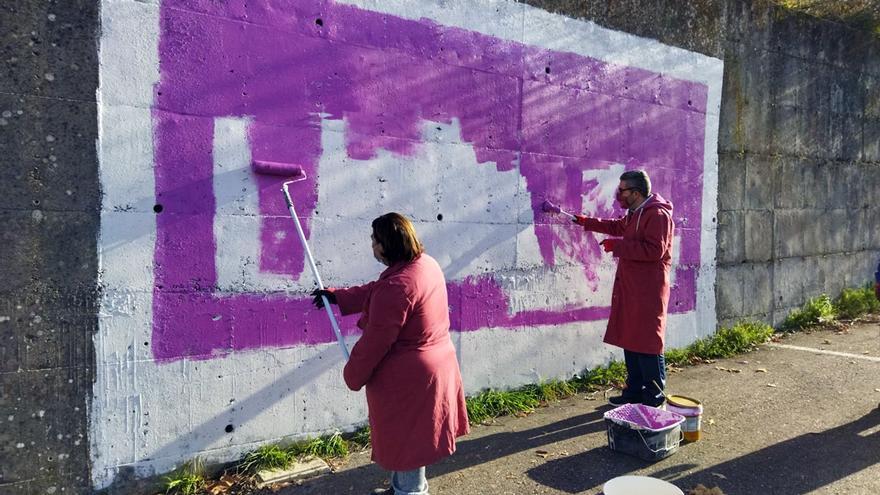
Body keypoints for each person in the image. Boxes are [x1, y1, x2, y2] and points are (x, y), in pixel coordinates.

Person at [311, 212, 469, 495]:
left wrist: (353, 374)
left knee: (408, 442)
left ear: (387, 244)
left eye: (375, 240)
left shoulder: (398, 286)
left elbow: (376, 341)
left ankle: (410, 492)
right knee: (410, 440)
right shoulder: (423, 265)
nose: (372, 246)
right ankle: (405, 488)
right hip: (434, 366)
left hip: (410, 380)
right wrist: (339, 296)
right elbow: (378, 291)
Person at [560, 170, 674, 407]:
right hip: (631, 286)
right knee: (630, 337)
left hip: (649, 289)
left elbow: (656, 251)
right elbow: (616, 226)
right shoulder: (636, 213)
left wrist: (619, 247)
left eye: (622, 190)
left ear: (635, 192)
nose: (618, 194)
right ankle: (633, 392)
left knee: (648, 341)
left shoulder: (657, 215)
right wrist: (582, 221)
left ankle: (654, 397)